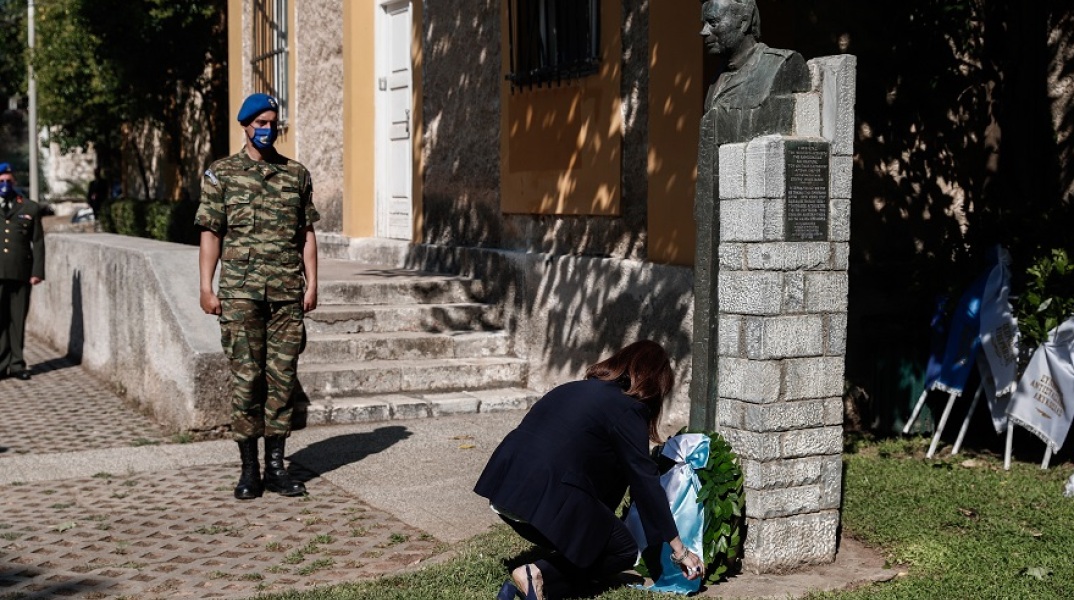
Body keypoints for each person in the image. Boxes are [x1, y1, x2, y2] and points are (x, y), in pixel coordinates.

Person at [475, 340, 705, 600]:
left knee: (595, 539)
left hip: (504, 492)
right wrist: (680, 550)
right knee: (623, 550)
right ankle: (536, 572)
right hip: (543, 495)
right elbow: (645, 483)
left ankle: (526, 592)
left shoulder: (574, 388)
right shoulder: (628, 409)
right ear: (654, 385)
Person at [195, 93, 319, 500]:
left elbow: (306, 235)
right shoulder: (222, 174)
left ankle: (277, 468)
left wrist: (312, 283)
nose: (266, 130)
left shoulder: (295, 175)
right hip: (240, 294)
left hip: (286, 294)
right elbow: (210, 232)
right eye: (259, 123)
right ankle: (249, 470)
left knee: (281, 382)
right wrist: (206, 286)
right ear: (245, 125)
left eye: (272, 123)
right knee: (247, 382)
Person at [0, 163, 45, 381]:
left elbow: (38, 242)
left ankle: (17, 363)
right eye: (1, 181)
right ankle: (1, 364)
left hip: (20, 272)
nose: (5, 185)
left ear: (15, 182)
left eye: (8, 181)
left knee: (18, 318)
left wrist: (37, 272)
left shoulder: (29, 208)